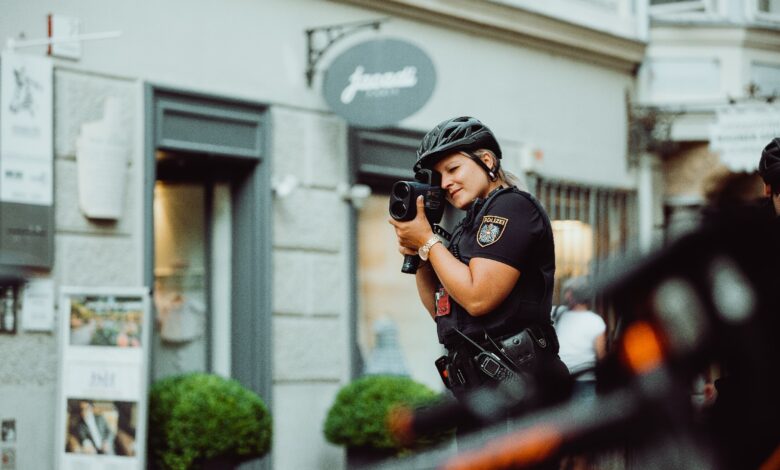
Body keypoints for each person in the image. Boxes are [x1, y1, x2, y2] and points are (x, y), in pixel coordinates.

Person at [389, 116, 569, 440]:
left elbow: (478, 297)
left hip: (520, 393)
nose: (444, 183)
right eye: (439, 175)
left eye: (453, 169)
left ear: (487, 160)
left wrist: (429, 242)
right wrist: (418, 253)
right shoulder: (467, 225)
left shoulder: (511, 206)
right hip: (481, 399)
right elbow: (440, 309)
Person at [554, 276, 606, 402]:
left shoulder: (559, 313)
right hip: (568, 380)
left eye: (568, 291)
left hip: (579, 381)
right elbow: (601, 356)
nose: (566, 295)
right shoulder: (558, 312)